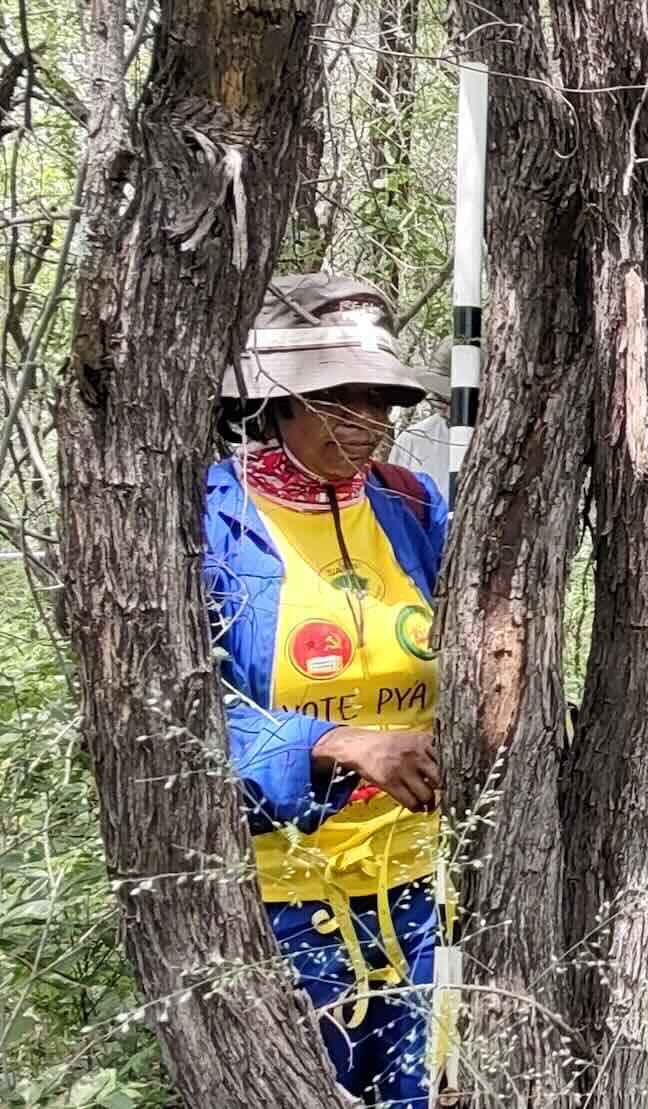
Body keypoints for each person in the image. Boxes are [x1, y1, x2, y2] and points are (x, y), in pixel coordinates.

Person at [205, 273, 450, 1106]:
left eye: (382, 401)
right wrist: (330, 741)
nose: (369, 422)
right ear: (279, 400)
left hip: (416, 887)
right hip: (281, 895)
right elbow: (164, 713)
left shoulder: (413, 507)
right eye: (340, 398)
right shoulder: (213, 519)